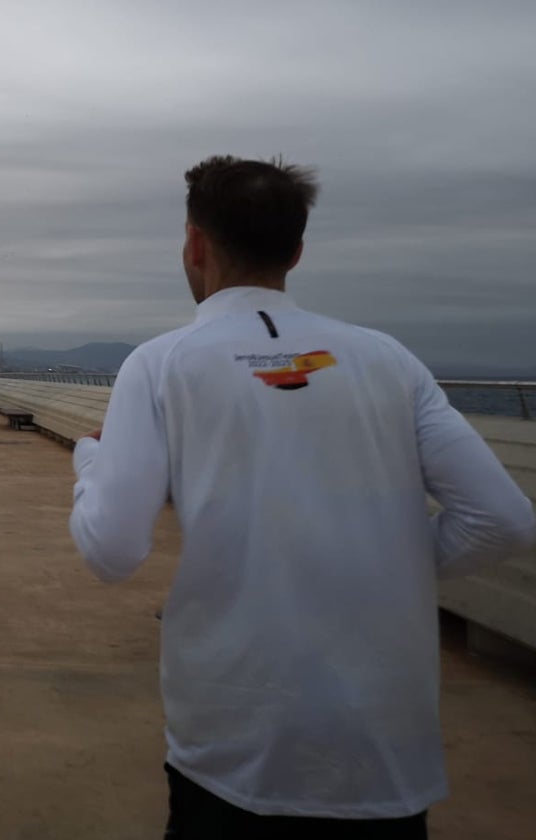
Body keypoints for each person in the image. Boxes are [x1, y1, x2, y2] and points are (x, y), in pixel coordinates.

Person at [69, 155, 536, 838]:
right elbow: (503, 519)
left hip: (233, 742)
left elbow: (112, 549)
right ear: (295, 250)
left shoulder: (163, 363)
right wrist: (381, 562)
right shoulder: (388, 359)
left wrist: (92, 463)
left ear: (195, 244)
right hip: (384, 749)